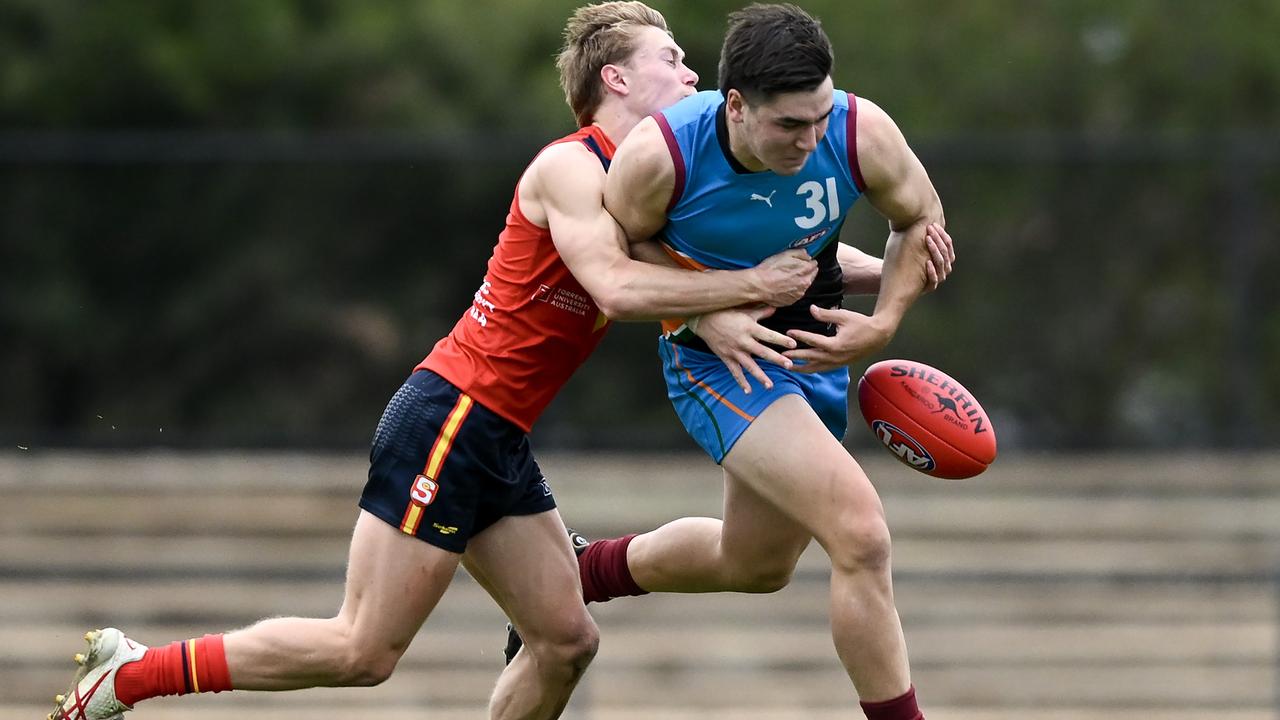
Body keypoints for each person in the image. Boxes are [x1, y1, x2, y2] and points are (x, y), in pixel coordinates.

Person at [46, 5, 833, 720]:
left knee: (565, 643)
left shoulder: (648, 185)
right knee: (363, 650)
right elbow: (619, 287)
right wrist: (750, 287)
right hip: (453, 414)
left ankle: (583, 569)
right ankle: (133, 673)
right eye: (672, 57)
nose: (692, 75)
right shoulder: (571, 167)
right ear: (615, 77)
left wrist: (885, 263)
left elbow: (727, 262)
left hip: (497, 436)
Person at [573, 4, 952, 720]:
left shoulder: (858, 128)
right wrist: (704, 311)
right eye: (788, 126)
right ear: (737, 105)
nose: (809, 141)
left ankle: (583, 569)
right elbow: (616, 251)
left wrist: (885, 322)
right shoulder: (663, 156)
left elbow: (919, 217)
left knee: (754, 566)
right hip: (721, 366)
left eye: (818, 118)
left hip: (815, 350)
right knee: (861, 533)